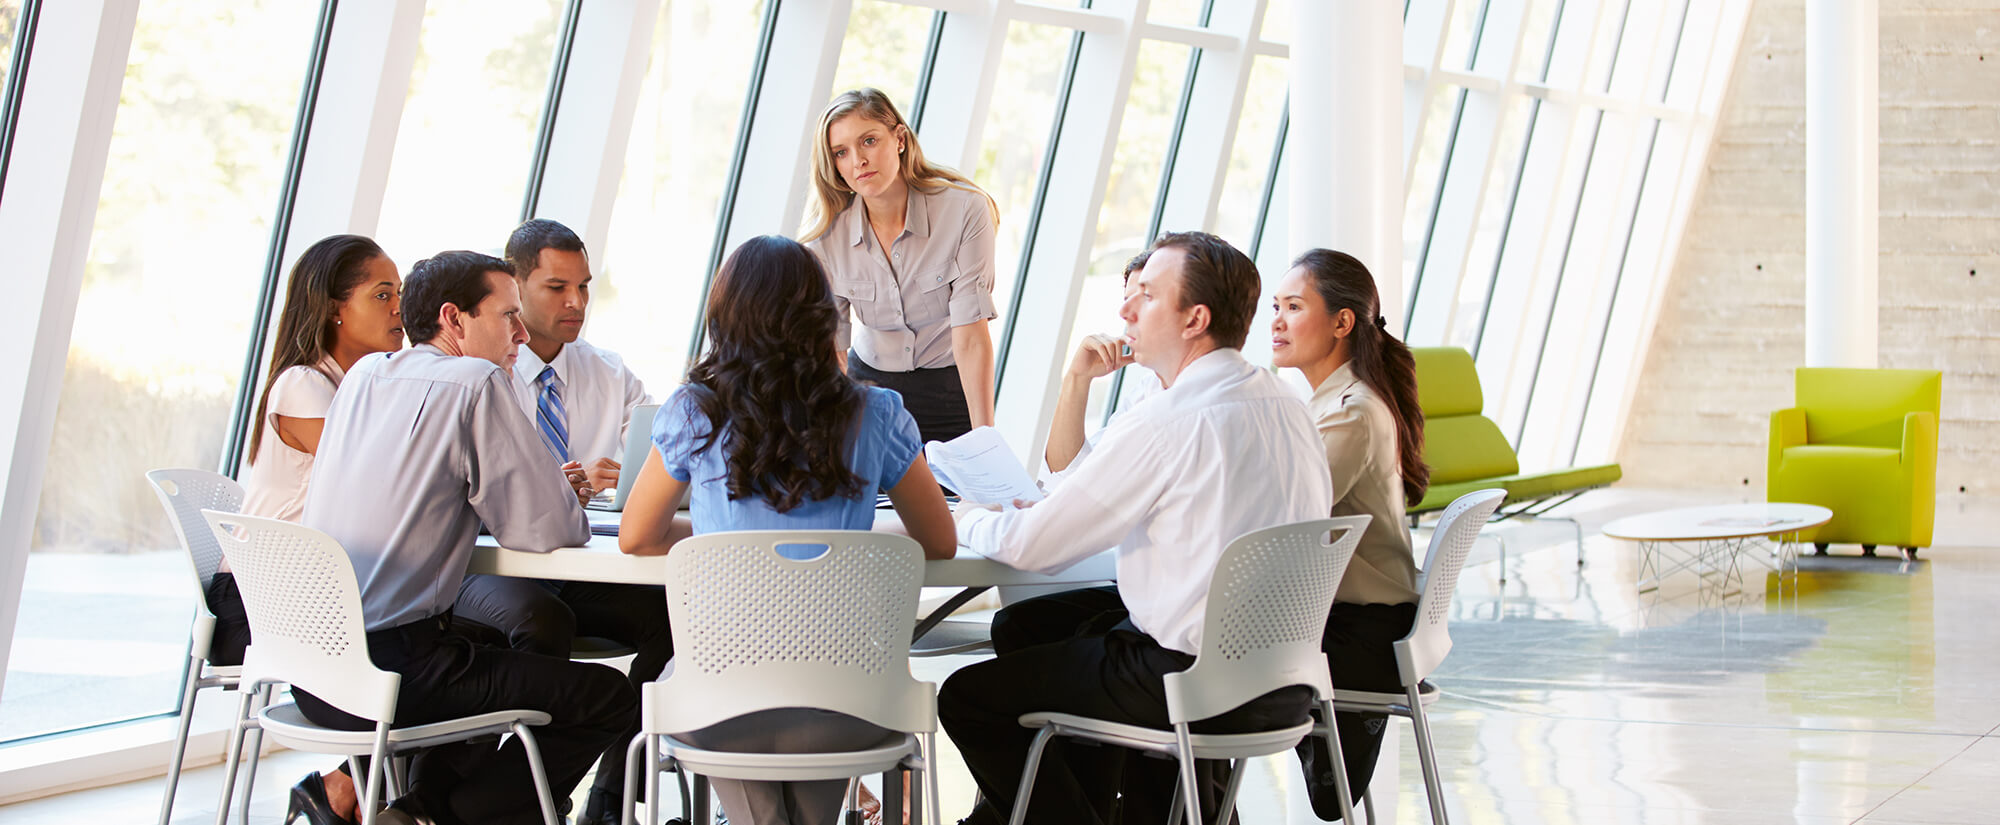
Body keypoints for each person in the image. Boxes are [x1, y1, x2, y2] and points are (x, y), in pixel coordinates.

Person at [939, 232, 1335, 825]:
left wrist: (960, 516)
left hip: (1185, 676)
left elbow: (1032, 547)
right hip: (1285, 677)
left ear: (1194, 319)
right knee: (1026, 624)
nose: (1126, 309)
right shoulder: (1286, 405)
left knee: (967, 699)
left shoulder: (1171, 420)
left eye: (1146, 296)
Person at [619, 234, 957, 825]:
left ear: (725, 318)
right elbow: (939, 542)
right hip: (851, 699)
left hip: (721, 703)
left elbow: (638, 536)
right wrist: (850, 546)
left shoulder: (695, 409)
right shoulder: (877, 412)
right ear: (822, 316)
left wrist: (717, 535)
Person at [296, 251, 635, 825]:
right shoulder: (474, 380)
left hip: (316, 669)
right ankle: (452, 818)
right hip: (396, 672)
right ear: (454, 319)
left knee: (488, 645)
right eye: (508, 317)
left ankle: (419, 808)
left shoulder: (366, 374)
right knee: (609, 697)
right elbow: (545, 531)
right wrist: (560, 494)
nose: (522, 335)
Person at [451, 218, 667, 825]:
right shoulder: (480, 372)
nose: (576, 303)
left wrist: (623, 475)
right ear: (515, 287)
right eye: (555, 288)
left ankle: (610, 803)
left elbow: (655, 461)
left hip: (576, 560)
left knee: (674, 615)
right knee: (539, 621)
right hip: (488, 564)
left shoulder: (609, 372)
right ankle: (513, 801)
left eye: (584, 287)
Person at [212, 234, 402, 825]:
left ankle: (348, 791)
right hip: (262, 602)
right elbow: (374, 483)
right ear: (334, 308)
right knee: (431, 658)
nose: (400, 308)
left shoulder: (362, 386)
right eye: (383, 294)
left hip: (320, 596)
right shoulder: (304, 384)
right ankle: (362, 794)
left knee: (454, 642)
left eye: (400, 293)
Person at [1270, 248, 1429, 820]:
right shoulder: (1331, 403)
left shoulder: (1351, 411)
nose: (1277, 321)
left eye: (1293, 306)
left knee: (1185, 660)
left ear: (1343, 322)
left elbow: (1283, 519)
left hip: (1361, 633)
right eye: (1275, 306)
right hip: (1357, 617)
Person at [802, 87, 1000, 445]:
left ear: (900, 139)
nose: (858, 161)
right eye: (841, 153)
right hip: (870, 393)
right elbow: (832, 351)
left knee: (962, 500)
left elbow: (971, 337)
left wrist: (986, 443)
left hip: (950, 391)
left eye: (869, 141)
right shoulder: (824, 239)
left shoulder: (966, 211)